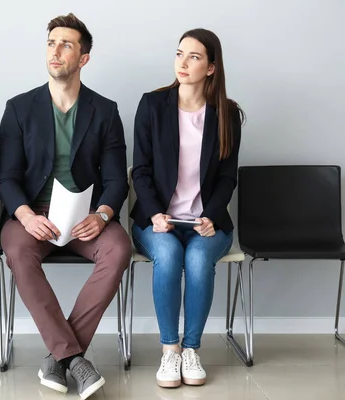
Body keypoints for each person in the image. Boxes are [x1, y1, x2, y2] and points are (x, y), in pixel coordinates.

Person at [0, 13, 131, 400]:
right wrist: (24, 215)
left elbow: (116, 180)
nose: (55, 51)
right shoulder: (19, 108)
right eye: (51, 43)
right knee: (19, 251)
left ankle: (59, 358)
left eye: (66, 44)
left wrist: (102, 215)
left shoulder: (104, 111)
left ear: (83, 58)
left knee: (119, 249)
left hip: (85, 217)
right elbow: (5, 177)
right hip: (32, 215)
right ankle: (75, 359)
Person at [131, 28, 245, 388]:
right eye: (180, 54)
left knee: (197, 259)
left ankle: (191, 348)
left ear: (211, 67)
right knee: (167, 254)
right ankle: (170, 351)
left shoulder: (227, 113)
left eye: (194, 57)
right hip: (156, 219)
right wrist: (154, 214)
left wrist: (210, 215)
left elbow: (228, 177)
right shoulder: (152, 105)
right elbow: (142, 170)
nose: (183, 63)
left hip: (207, 224)